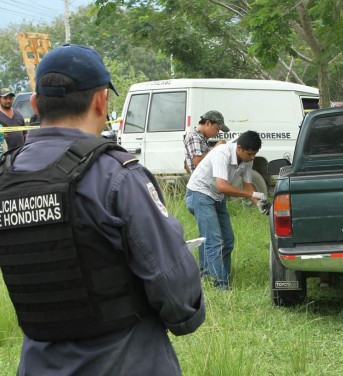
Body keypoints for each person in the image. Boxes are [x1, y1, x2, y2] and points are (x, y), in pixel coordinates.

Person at [0, 44, 205, 375]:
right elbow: (177, 291)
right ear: (100, 101)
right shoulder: (118, 176)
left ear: (36, 104)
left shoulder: (5, 178)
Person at [185, 130, 266, 290]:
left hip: (216, 196)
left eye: (255, 154)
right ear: (240, 148)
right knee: (213, 240)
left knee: (227, 240)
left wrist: (260, 205)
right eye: (249, 154)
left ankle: (214, 274)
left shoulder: (247, 159)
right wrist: (248, 194)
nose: (252, 158)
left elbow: (248, 186)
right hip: (199, 193)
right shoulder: (222, 153)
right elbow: (222, 186)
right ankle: (220, 285)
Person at [184, 110, 229, 174]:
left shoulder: (203, 138)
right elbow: (198, 162)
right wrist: (216, 148)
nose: (217, 133)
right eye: (217, 129)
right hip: (200, 182)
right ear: (208, 123)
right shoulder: (193, 136)